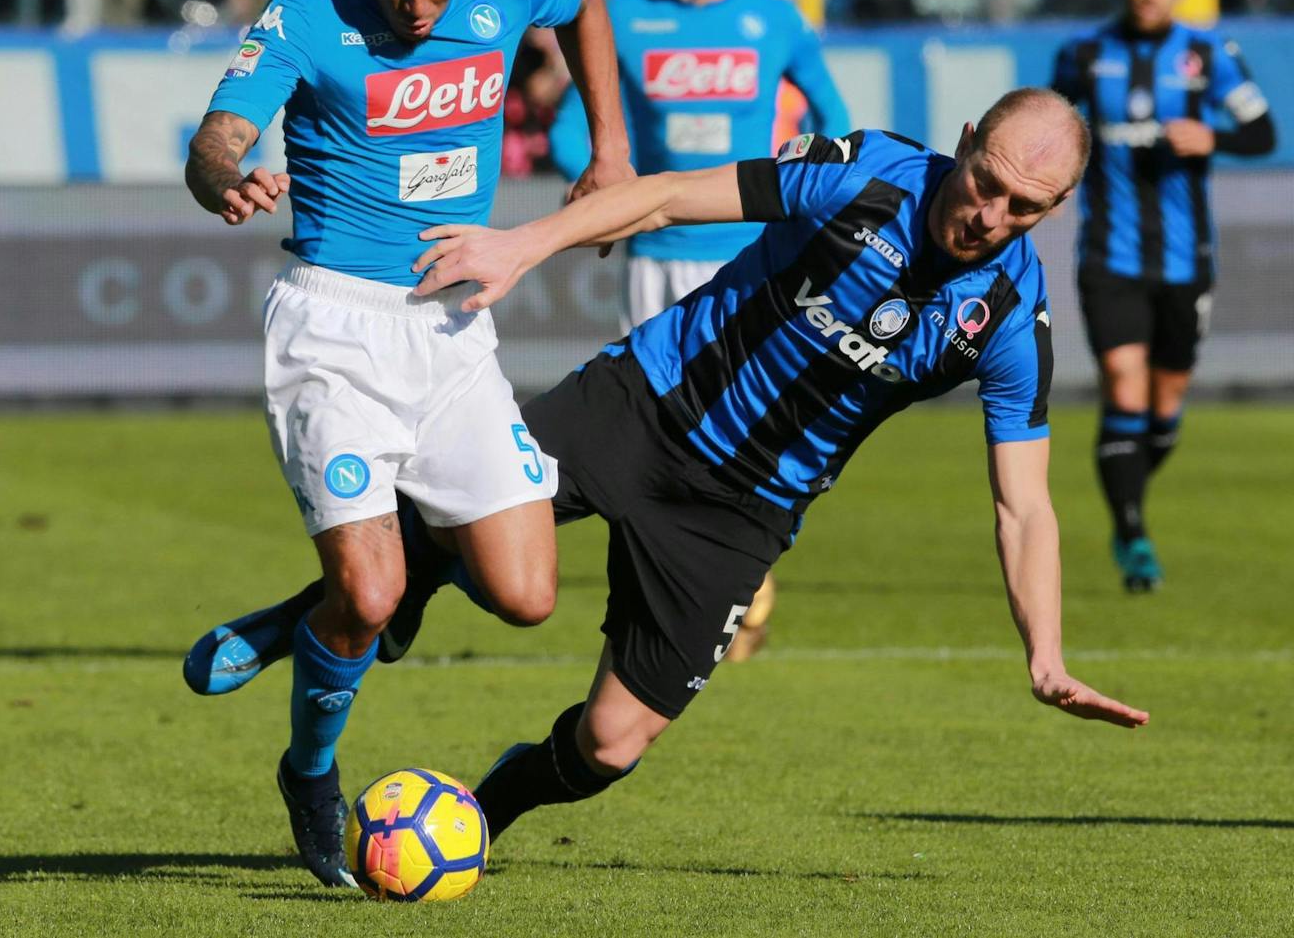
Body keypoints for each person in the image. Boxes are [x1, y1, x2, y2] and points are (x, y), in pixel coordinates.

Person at [186, 87, 1149, 854]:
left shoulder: (1011, 321)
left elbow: (1024, 506)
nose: (988, 212)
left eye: (1023, 206)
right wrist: (524, 245)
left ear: (1056, 207)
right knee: (454, 525)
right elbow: (663, 195)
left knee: (610, 742)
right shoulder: (868, 174)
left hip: (742, 515)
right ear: (968, 137)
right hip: (641, 405)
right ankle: (319, 614)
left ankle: (471, 823)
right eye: (986, 179)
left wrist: (1046, 651)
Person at [180, 0, 631, 887]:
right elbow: (215, 137)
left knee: (524, 595)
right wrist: (226, 180)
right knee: (370, 594)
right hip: (333, 331)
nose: (417, 5)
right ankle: (309, 769)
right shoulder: (304, 16)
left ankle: (317, 610)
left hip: (454, 323)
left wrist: (610, 149)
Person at [550, 0, 850, 657]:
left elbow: (836, 120)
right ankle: (670, 607)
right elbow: (572, 126)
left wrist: (803, 189)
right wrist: (595, 178)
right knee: (652, 434)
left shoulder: (776, 21)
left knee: (750, 433)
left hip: (754, 258)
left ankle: (730, 587)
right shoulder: (622, 16)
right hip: (657, 253)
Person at [1051, 0, 1275, 592]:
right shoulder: (1085, 54)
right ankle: (1133, 533)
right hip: (1109, 255)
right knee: (1124, 385)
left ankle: (1127, 498)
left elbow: (1263, 131)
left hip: (1186, 260)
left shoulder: (1208, 56)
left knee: (1165, 407)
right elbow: (1053, 128)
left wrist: (1211, 135)